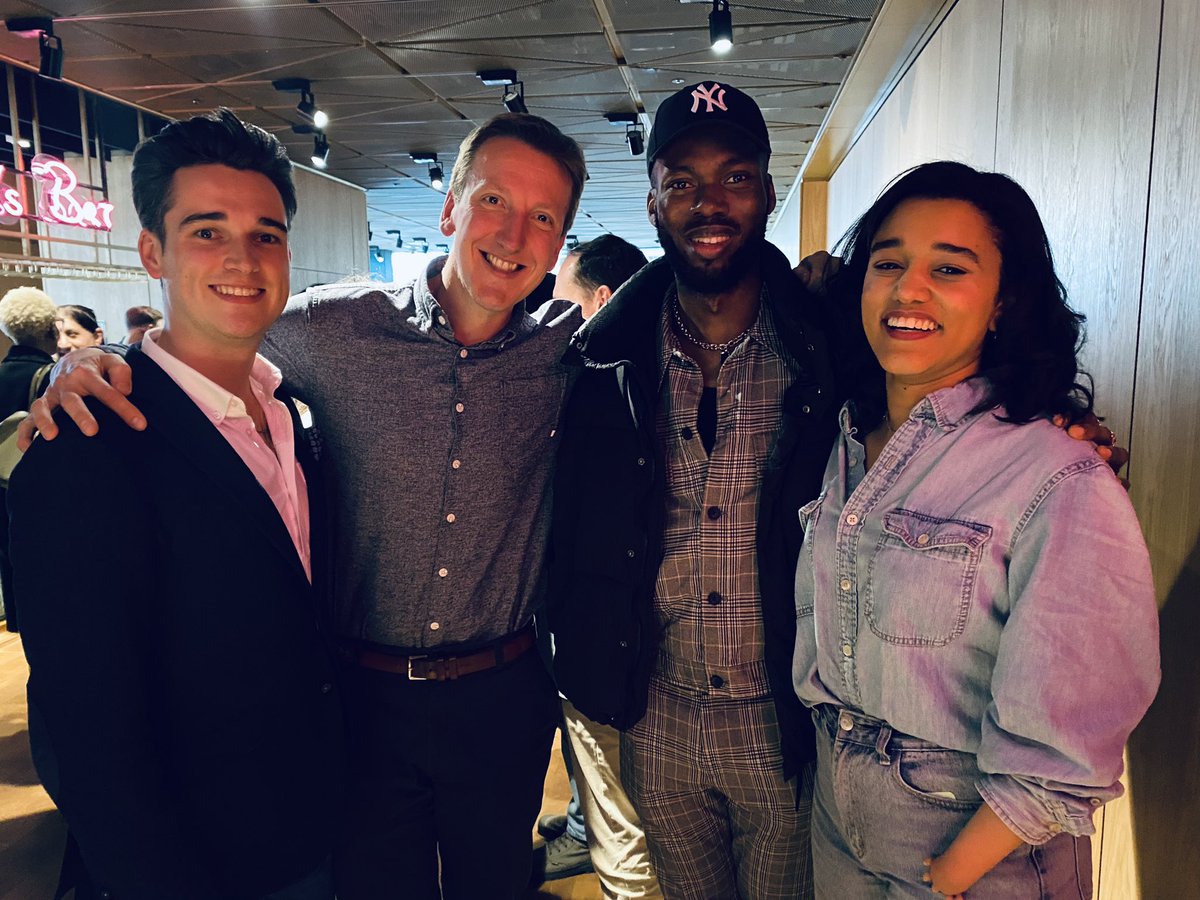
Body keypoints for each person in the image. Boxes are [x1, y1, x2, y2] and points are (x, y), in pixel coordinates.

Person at [29, 111, 589, 900]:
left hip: (501, 691)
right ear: (450, 209)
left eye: (544, 218)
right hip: (358, 696)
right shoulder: (331, 327)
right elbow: (208, 333)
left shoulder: (574, 348)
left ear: (561, 241)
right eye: (494, 201)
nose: (514, 233)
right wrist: (78, 366)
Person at [792, 161, 1160, 898]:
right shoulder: (847, 440)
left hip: (972, 840)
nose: (908, 289)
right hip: (836, 808)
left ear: (1003, 301)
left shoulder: (1057, 473)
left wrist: (955, 868)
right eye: (887, 262)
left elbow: (1077, 717)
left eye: (949, 268)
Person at [8, 108, 344, 900]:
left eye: (265, 233)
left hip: (315, 825)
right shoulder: (87, 445)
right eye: (206, 230)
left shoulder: (297, 414)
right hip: (195, 863)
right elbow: (84, 729)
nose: (242, 258)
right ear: (152, 250)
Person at [549, 80, 861, 900]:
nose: (707, 202)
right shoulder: (601, 360)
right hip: (660, 714)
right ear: (653, 201)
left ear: (764, 188)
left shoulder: (829, 350)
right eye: (681, 181)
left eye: (734, 177)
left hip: (784, 719)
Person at [535, 233, 661, 894]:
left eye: (563, 303)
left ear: (601, 301)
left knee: (626, 833)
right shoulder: (677, 362)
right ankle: (583, 826)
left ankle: (590, 831)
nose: (551, 320)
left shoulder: (596, 383)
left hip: (606, 650)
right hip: (640, 649)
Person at [0, 285, 58, 631]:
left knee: (7, 552)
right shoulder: (56, 378)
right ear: (51, 329)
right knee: (40, 554)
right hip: (38, 484)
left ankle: (18, 620)